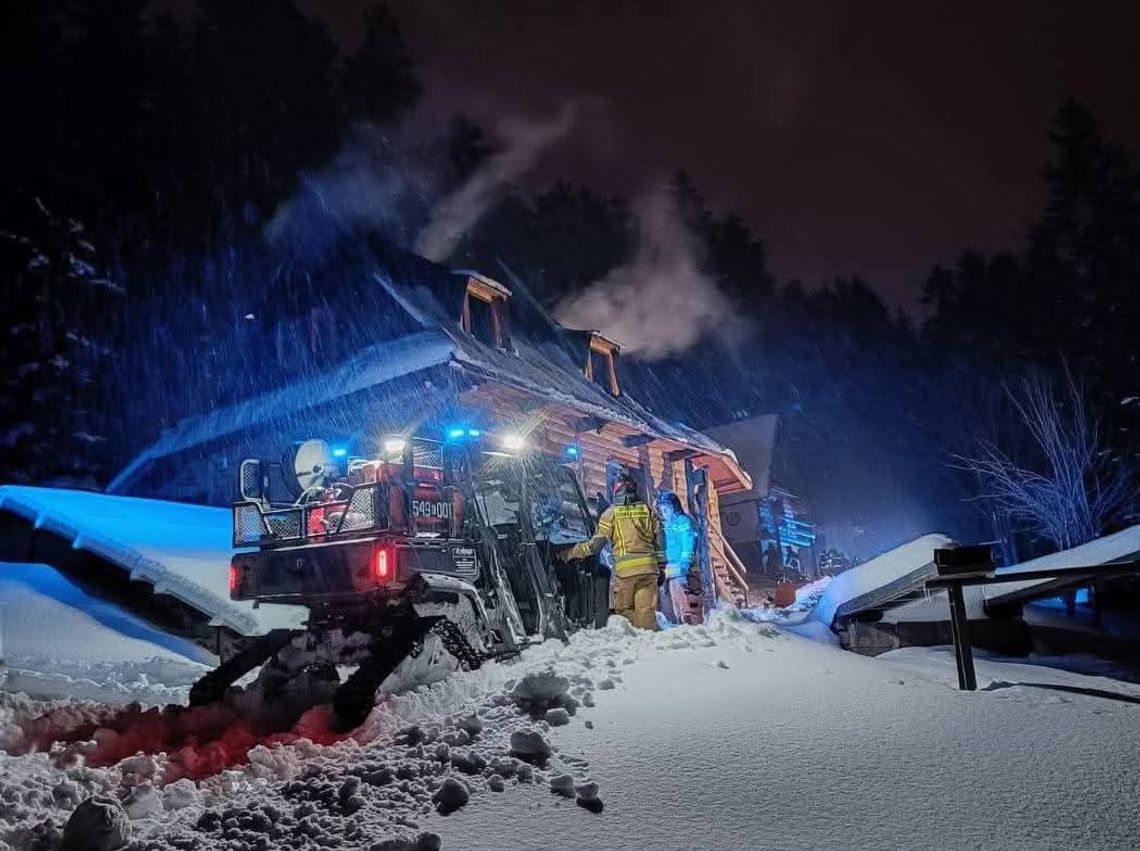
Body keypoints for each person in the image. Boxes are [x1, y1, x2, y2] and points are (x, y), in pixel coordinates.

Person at [558, 472, 664, 630]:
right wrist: (661, 567)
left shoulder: (610, 514)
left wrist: (570, 553)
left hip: (626, 573)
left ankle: (636, 642)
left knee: (624, 613)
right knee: (646, 613)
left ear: (616, 490)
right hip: (649, 570)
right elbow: (661, 540)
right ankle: (650, 642)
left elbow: (595, 546)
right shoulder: (648, 511)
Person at [656, 491, 703, 625]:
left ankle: (697, 633)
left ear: (674, 507)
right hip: (672, 574)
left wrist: (684, 567)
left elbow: (688, 544)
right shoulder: (667, 526)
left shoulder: (683, 522)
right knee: (678, 610)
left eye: (666, 508)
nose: (664, 512)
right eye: (662, 509)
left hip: (686, 572)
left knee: (689, 610)